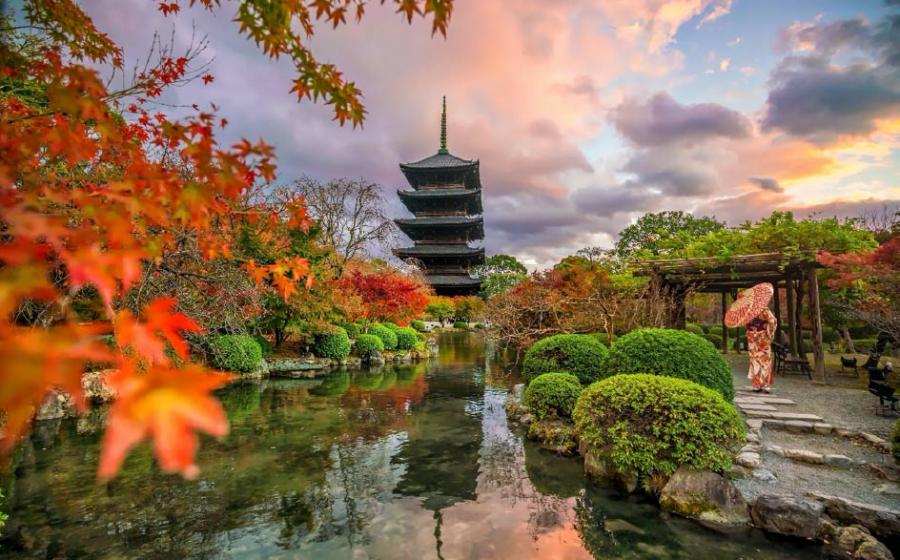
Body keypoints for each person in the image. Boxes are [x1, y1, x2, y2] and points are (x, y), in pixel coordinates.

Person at [746, 308, 777, 393]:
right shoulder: (764, 309)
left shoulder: (748, 310)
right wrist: (767, 328)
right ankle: (764, 385)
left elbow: (746, 324)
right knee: (764, 362)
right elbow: (772, 321)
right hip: (762, 338)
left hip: (753, 338)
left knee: (755, 361)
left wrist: (752, 328)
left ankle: (757, 385)